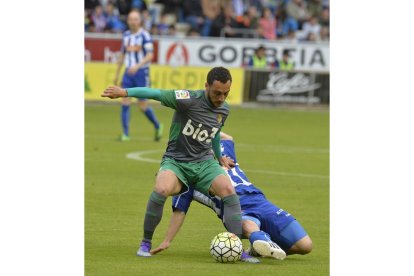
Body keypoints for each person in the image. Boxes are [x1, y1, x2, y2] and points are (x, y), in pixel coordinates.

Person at [101, 67, 246, 261]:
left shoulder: (224, 109)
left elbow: (216, 131)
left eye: (225, 94)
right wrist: (125, 92)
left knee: (228, 190)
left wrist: (219, 157)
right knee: (161, 189)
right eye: (216, 93)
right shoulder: (187, 99)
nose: (221, 98)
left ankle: (236, 247)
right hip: (176, 162)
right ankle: (146, 242)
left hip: (204, 163)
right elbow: (156, 93)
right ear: (206, 86)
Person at [150, 132, 312, 260]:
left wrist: (203, 128)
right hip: (235, 211)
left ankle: (258, 248)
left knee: (305, 246)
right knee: (249, 225)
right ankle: (261, 240)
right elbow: (179, 211)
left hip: (261, 202)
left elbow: (227, 138)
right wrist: (167, 241)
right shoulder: (186, 178)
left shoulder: (221, 153)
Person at [113, 10, 163, 142]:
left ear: (139, 21)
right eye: (130, 19)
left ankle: (158, 126)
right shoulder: (126, 36)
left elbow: (150, 55)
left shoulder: (145, 35)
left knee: (142, 106)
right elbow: (123, 55)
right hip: (128, 73)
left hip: (141, 73)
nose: (133, 21)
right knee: (124, 101)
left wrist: (138, 65)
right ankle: (126, 134)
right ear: (128, 21)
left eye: (135, 19)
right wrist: (117, 74)